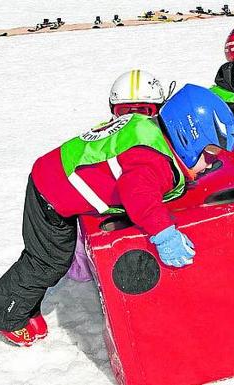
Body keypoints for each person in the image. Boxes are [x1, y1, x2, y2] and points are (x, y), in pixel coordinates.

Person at [0, 84, 234, 346]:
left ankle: (19, 305)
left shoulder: (150, 132)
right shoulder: (153, 161)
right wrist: (164, 232)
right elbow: (137, 194)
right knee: (48, 262)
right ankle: (0, 315)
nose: (212, 162)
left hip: (54, 179)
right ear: (186, 137)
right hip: (51, 193)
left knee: (48, 258)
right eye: (210, 152)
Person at [66, 69, 170, 282]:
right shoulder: (103, 139)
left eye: (143, 111)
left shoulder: (156, 141)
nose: (134, 119)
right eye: (125, 112)